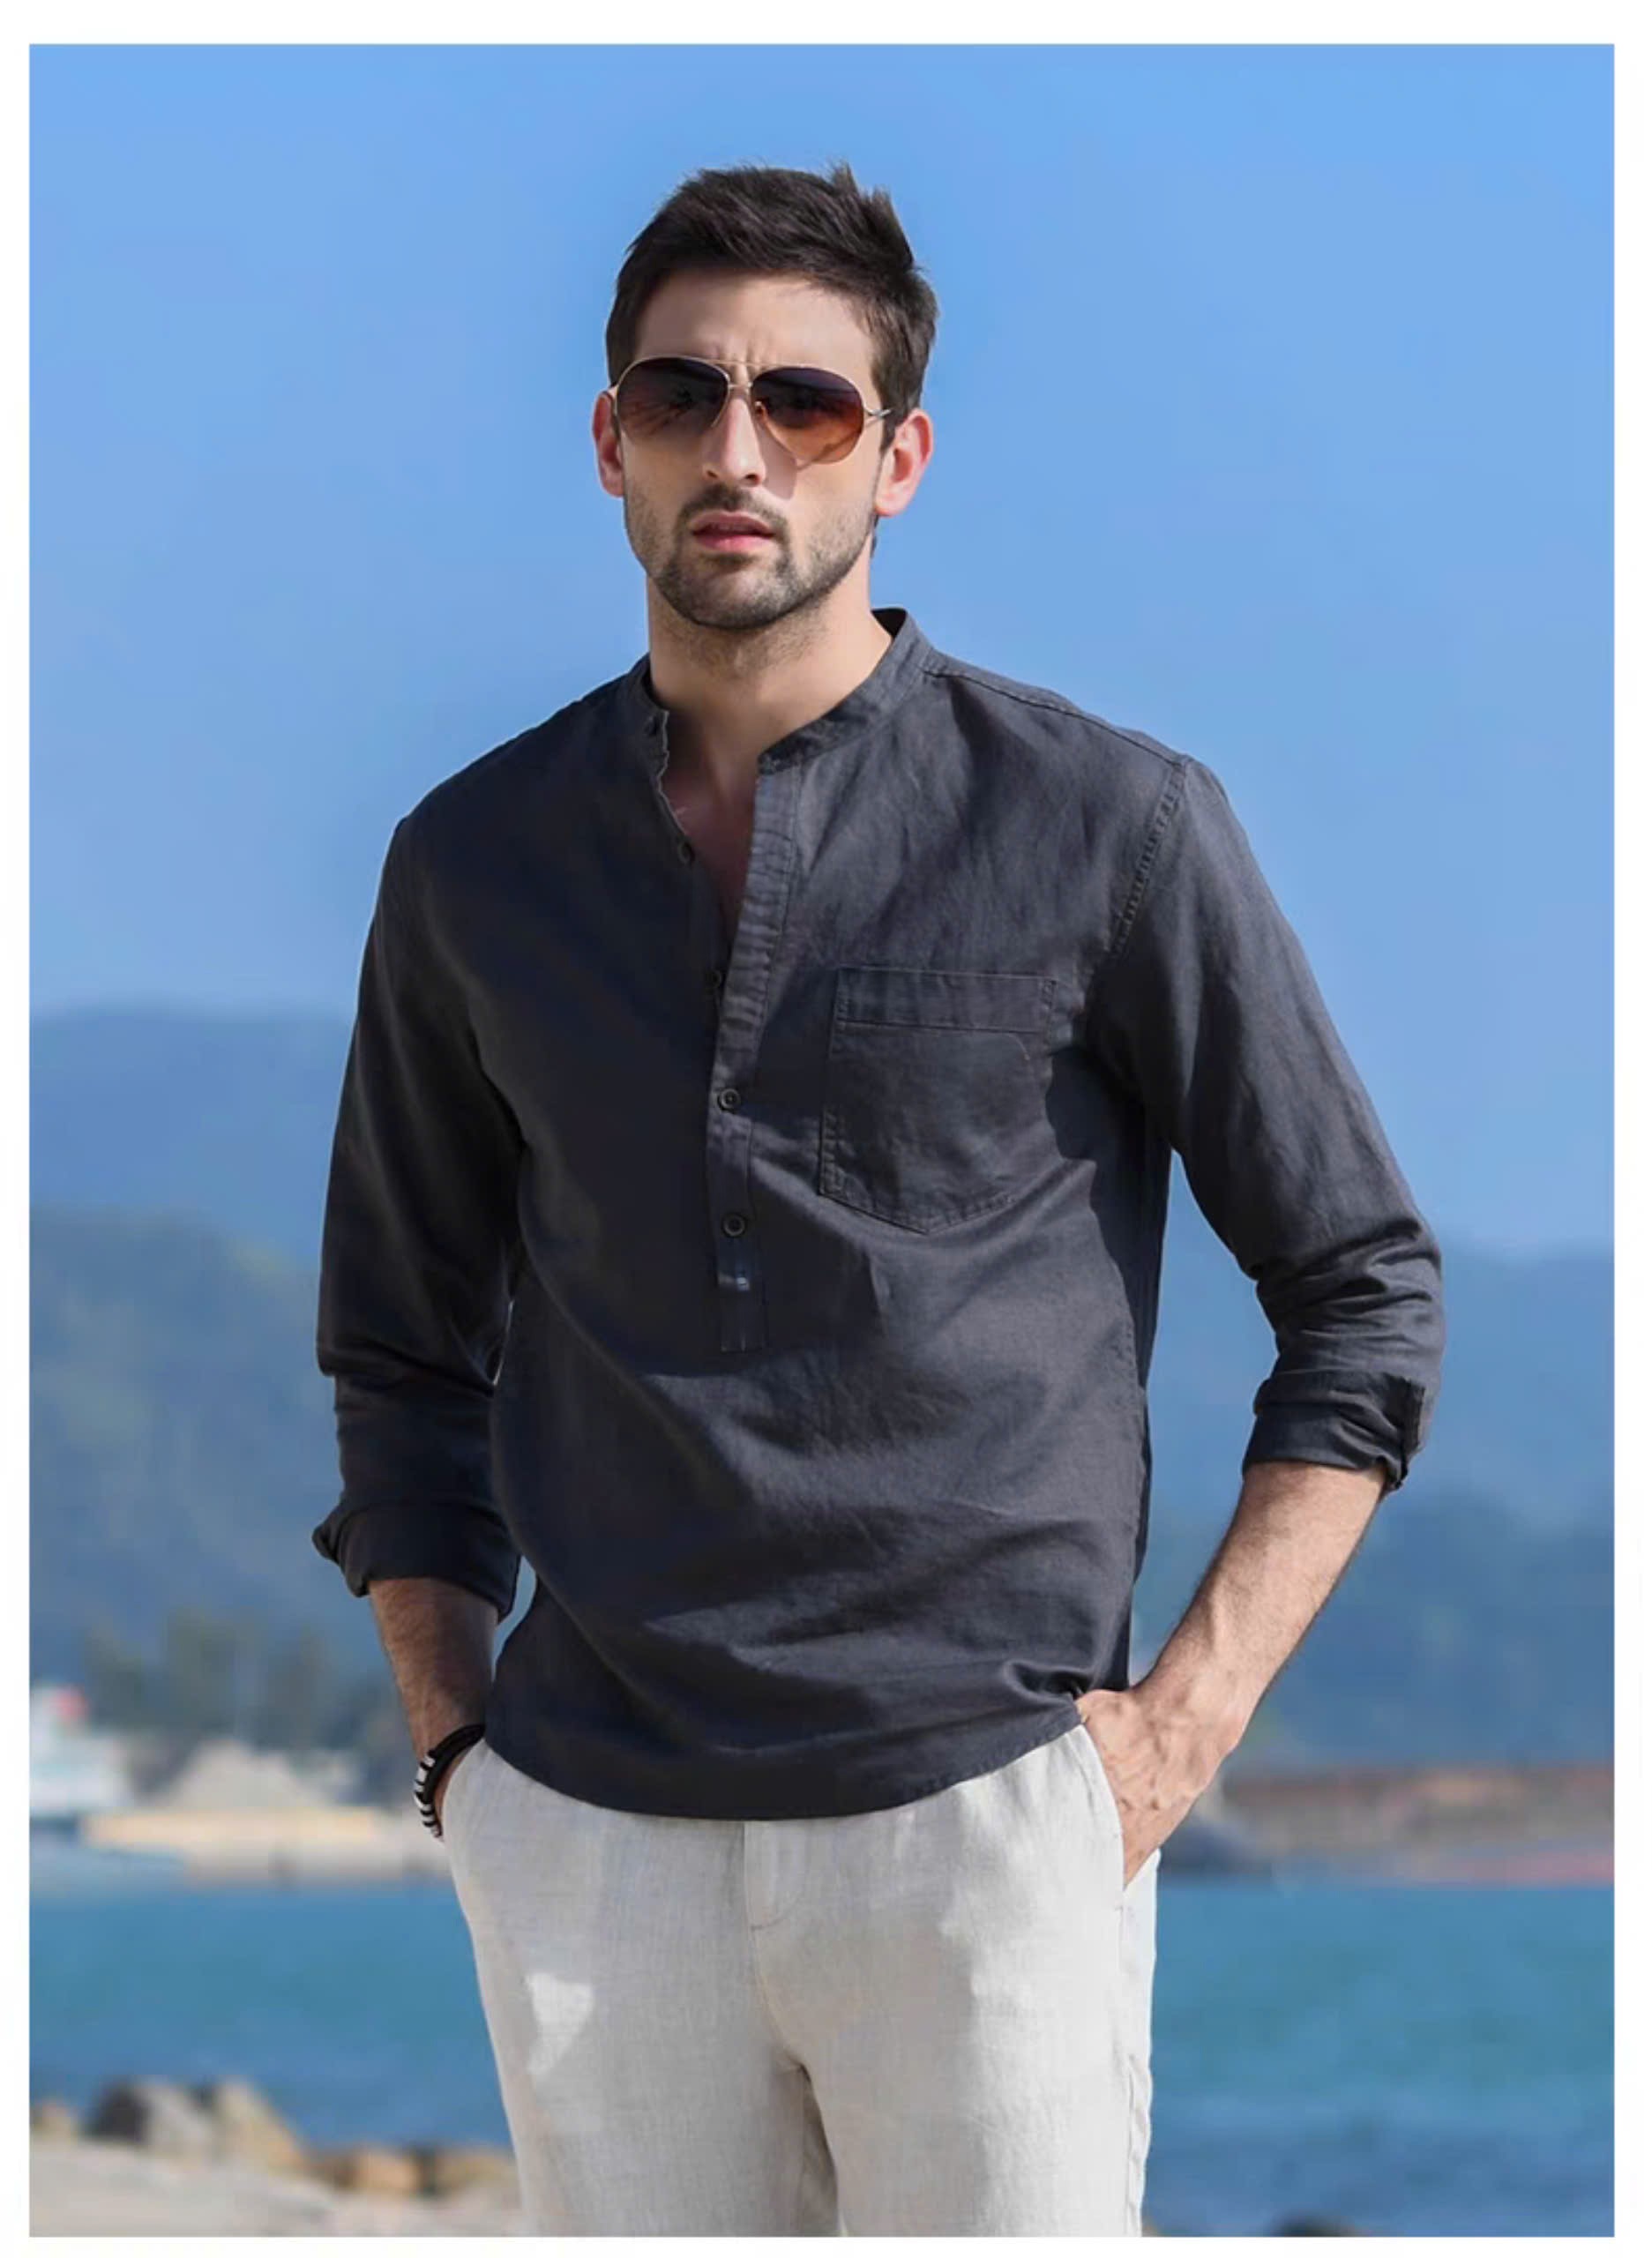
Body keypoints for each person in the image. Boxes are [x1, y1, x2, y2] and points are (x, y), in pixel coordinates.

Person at [310, 158, 1446, 2236]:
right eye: (683, 395)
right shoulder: (472, 862)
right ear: (611, 441)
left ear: (896, 459)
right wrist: (464, 1751)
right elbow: (397, 1340)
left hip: (985, 1824)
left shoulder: (1109, 826)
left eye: (803, 403)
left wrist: (1169, 1737)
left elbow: (1362, 1292)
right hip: (591, 1844)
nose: (737, 450)